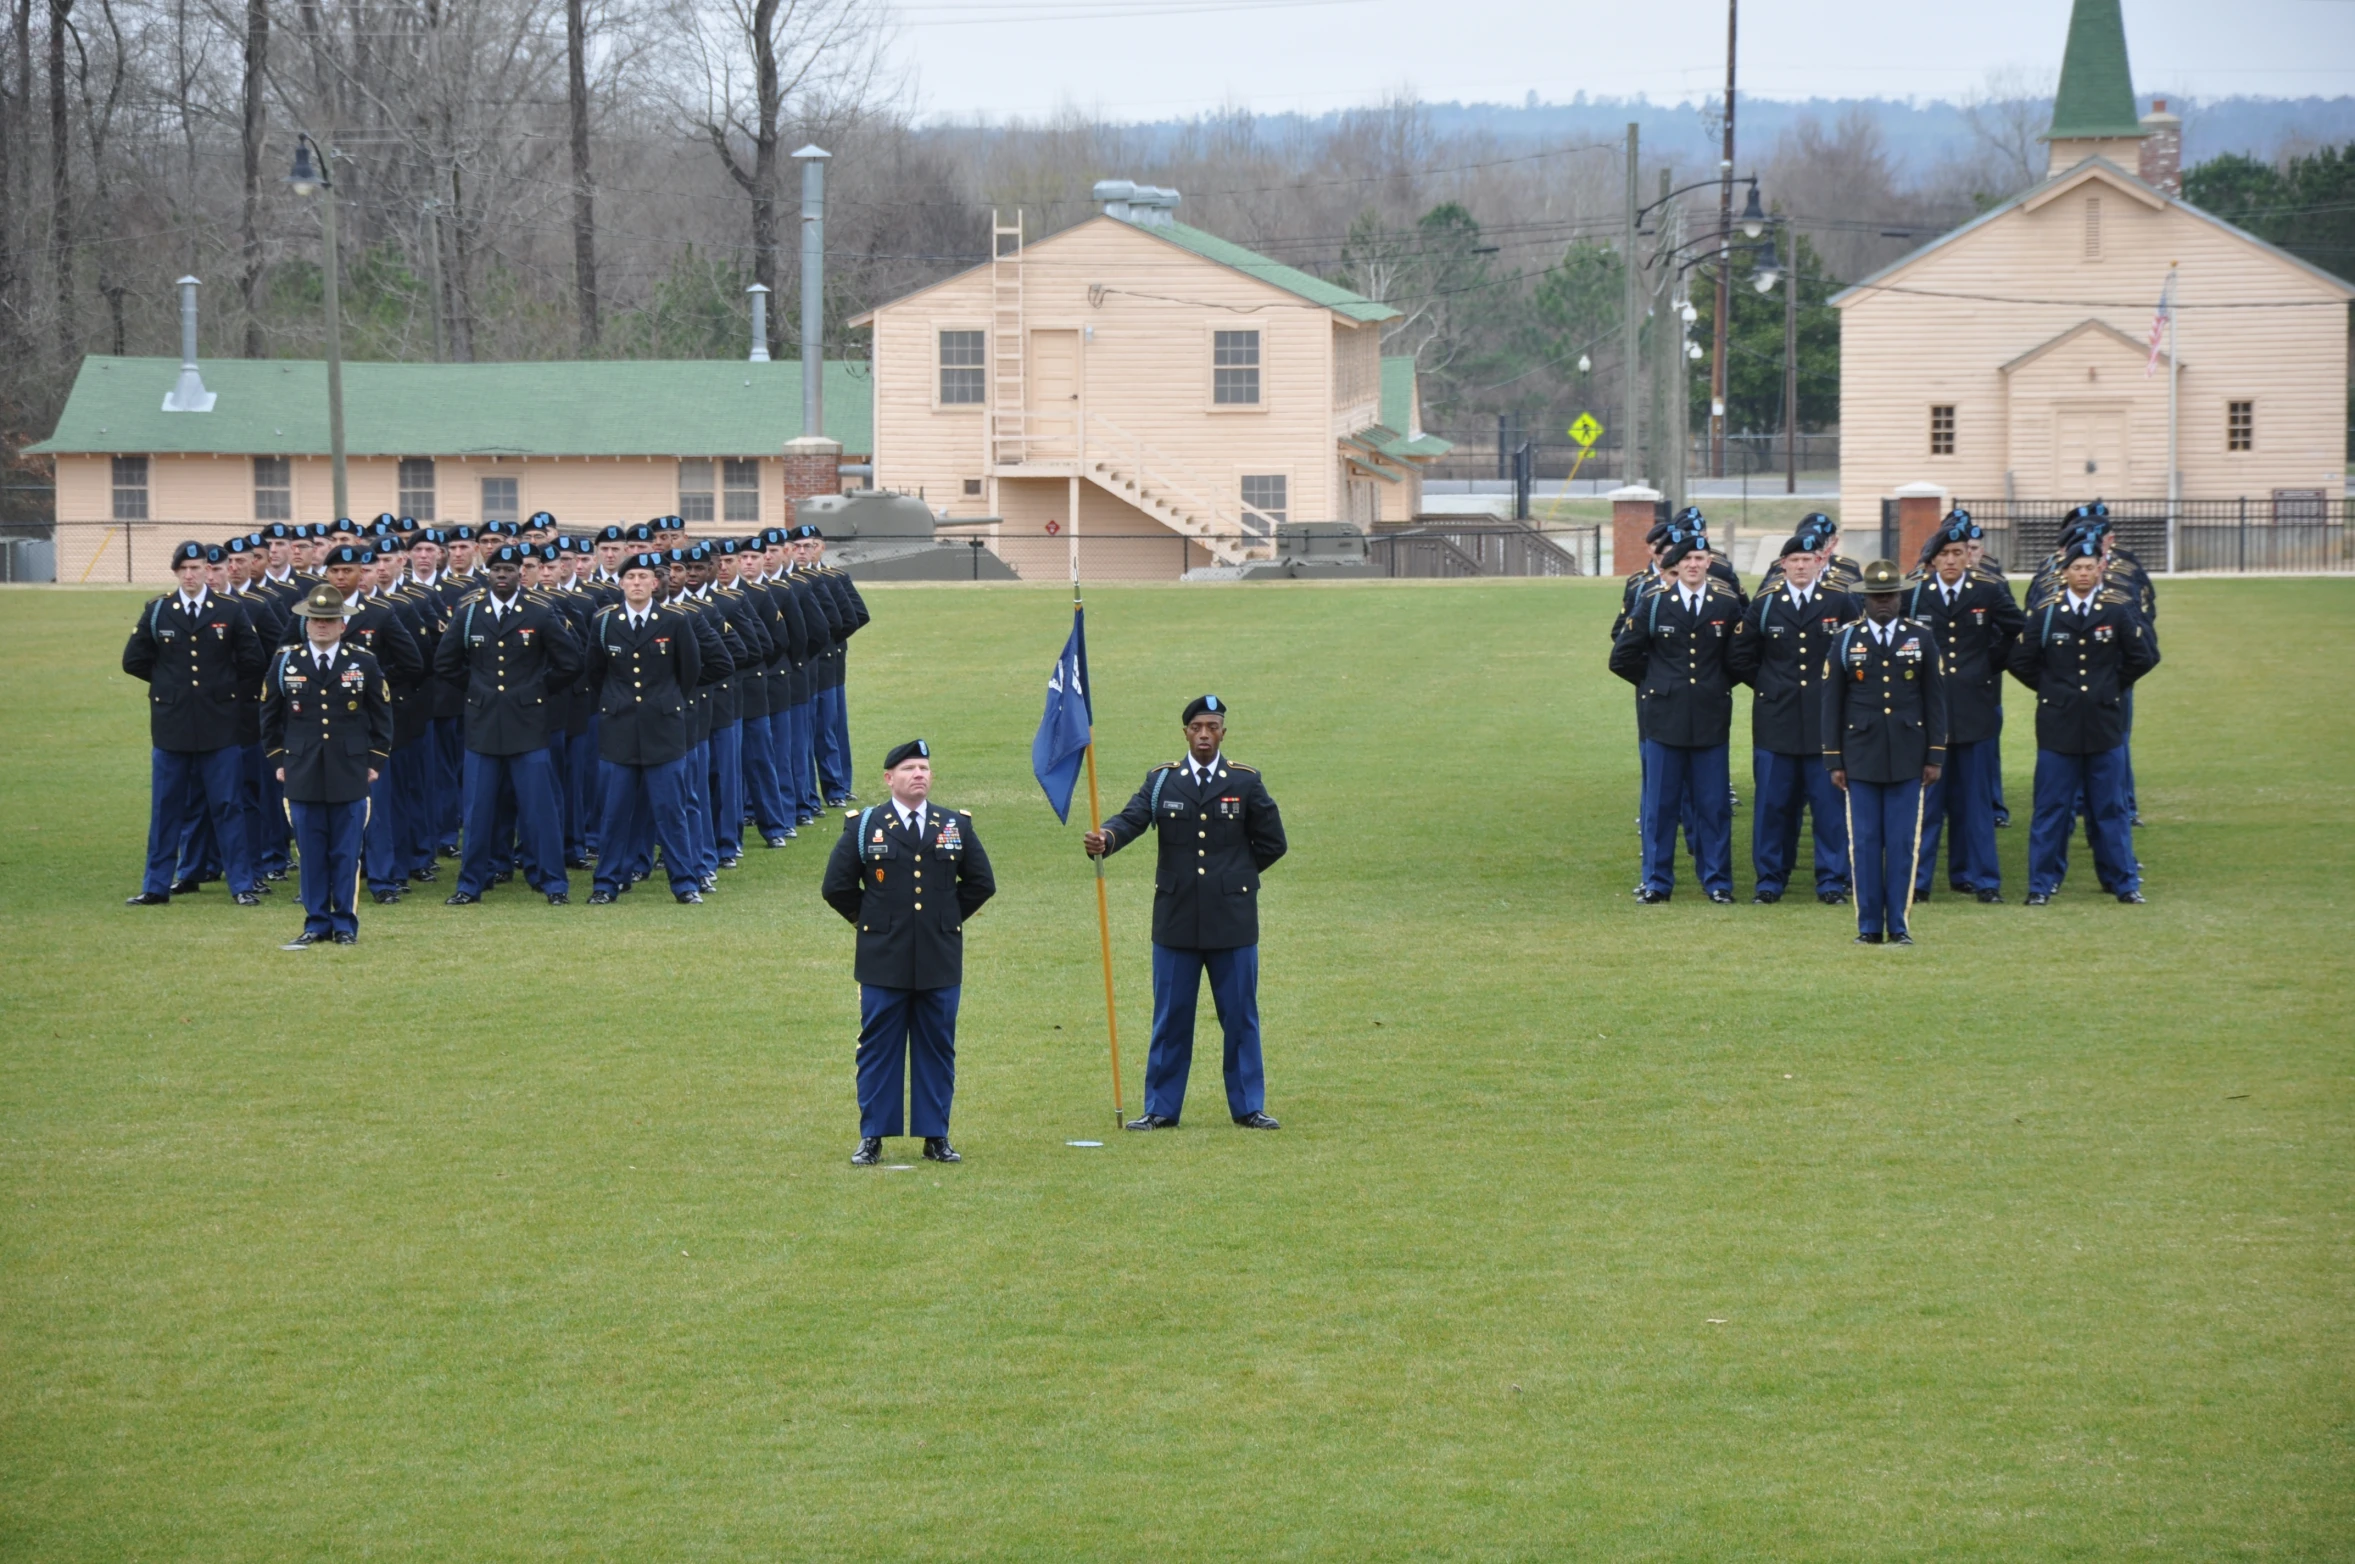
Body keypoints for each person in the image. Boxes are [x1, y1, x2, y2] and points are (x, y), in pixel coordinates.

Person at [1085, 696, 1288, 1132]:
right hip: (1175, 921)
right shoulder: (1162, 782)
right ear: (1185, 733)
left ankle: (1248, 1106)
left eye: (1212, 727)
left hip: (1233, 922)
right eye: (1197, 727)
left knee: (1239, 1017)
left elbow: (1274, 843)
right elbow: (1133, 818)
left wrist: (1235, 879)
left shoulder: (1245, 782)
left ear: (1223, 734)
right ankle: (1160, 1108)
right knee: (1171, 1016)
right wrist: (1107, 837)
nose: (1203, 735)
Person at [822, 740, 996, 1166]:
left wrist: (945, 920)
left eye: (924, 768)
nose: (919, 774)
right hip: (883, 960)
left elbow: (981, 883)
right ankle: (873, 1136)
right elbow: (836, 886)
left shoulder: (954, 824)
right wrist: (871, 923)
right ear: (889, 779)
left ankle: (935, 1135)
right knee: (879, 1049)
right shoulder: (864, 827)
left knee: (937, 1047)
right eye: (909, 769)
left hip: (939, 958)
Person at [2008, 534, 2160, 905]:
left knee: (2111, 808)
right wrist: (2053, 690)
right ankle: (2041, 885)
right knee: (2051, 809)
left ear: (2100, 570)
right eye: (2077, 567)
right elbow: (2020, 661)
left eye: (2090, 567)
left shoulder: (2116, 609)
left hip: (2104, 724)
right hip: (2058, 726)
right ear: (2065, 571)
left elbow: (2144, 656)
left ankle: (2123, 882)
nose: (2084, 573)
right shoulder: (2046, 613)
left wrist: (2111, 687)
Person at [434, 542, 583, 905]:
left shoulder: (539, 611)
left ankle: (553, 884)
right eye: (496, 570)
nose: (502, 576)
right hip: (483, 725)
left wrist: (537, 690)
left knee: (539, 809)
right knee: (478, 810)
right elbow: (445, 663)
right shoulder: (470, 612)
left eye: (510, 570)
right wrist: (477, 690)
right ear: (487, 572)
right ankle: (470, 884)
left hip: (528, 725)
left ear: (521, 573)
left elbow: (570, 662)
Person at [122, 541, 268, 907]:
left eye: (197, 568)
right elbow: (134, 660)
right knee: (167, 808)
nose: (190, 575)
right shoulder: (158, 610)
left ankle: (241, 884)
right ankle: (156, 885)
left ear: (208, 570)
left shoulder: (230, 610)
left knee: (228, 806)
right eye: (183, 569)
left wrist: (223, 691)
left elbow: (254, 660)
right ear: (175, 573)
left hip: (220, 726)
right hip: (172, 726)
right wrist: (169, 687)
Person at [1609, 534, 1743, 903]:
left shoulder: (1726, 605)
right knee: (1661, 807)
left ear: (1708, 564)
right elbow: (1621, 657)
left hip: (1710, 717)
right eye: (1688, 560)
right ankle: (1656, 882)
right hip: (1664, 719)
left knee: (1713, 806)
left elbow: (1737, 659)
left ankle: (1717, 881)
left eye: (1701, 558)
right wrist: (1658, 684)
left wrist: (1714, 685)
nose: (1695, 565)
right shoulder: (1653, 604)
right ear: (1677, 566)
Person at [1822, 559, 1948, 945]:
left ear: (1900, 597)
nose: (1883, 603)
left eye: (1889, 595)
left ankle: (1899, 924)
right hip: (1860, 756)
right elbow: (1832, 703)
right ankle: (1868, 927)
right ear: (1864, 600)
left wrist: (1935, 754)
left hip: (1909, 755)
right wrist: (1834, 759)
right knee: (1863, 843)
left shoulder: (1920, 638)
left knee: (1901, 844)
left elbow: (1935, 699)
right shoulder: (1845, 640)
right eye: (1876, 596)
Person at [1728, 532, 1858, 904]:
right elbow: (1740, 656)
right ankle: (1770, 880)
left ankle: (1832, 881)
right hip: (1776, 722)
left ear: (1820, 562)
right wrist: (1770, 686)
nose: (1801, 566)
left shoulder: (1840, 602)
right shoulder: (1765, 605)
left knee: (1829, 809)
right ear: (1782, 564)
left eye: (1808, 559)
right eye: (1794, 560)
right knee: (1773, 807)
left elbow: (1854, 654)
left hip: (1824, 723)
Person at [261, 585, 394, 946]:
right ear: (305, 625)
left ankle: (345, 924)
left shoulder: (362, 661)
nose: (321, 626)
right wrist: (278, 759)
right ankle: (316, 922)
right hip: (301, 770)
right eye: (315, 620)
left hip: (349, 769)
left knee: (346, 853)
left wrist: (375, 761)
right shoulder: (286, 661)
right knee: (311, 852)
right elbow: (268, 716)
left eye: (329, 620)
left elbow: (382, 716)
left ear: (342, 625)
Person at [1907, 515, 2025, 903]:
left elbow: (2018, 629)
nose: (1953, 560)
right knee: (1928, 803)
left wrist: (1989, 664)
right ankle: (1919, 882)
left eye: (1958, 553)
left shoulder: (1987, 590)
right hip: (1930, 711)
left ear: (1968, 556)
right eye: (1945, 554)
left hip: (1974, 709)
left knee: (1974, 804)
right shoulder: (1915, 593)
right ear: (1933, 559)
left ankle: (1983, 880)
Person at [584, 552, 711, 904]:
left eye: (643, 577)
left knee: (672, 811)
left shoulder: (674, 621)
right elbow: (595, 672)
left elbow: (689, 671)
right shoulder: (604, 622)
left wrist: (663, 703)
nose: (637, 583)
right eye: (630, 578)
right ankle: (606, 884)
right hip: (619, 729)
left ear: (655, 583)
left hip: (664, 730)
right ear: (621, 583)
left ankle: (685, 883)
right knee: (614, 813)